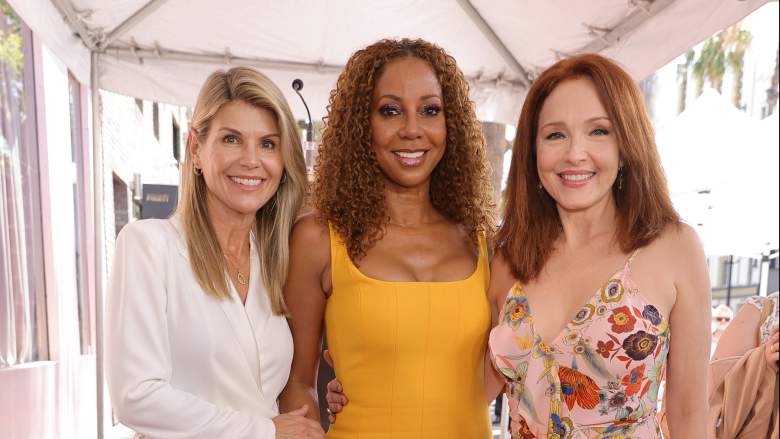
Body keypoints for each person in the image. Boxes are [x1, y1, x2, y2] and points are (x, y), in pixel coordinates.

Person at [279, 38, 497, 438]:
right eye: (390, 111)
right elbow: (296, 384)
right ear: (362, 124)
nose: (412, 130)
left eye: (430, 110)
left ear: (452, 125)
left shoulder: (486, 244)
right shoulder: (319, 239)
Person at [487, 54, 710, 437]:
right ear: (532, 151)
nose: (575, 153)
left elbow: (689, 415)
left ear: (627, 143)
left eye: (599, 131)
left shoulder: (674, 248)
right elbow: (466, 388)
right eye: (555, 134)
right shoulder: (507, 256)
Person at [105, 67, 325, 438]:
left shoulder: (275, 261)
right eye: (231, 139)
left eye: (268, 144)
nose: (251, 160)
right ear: (196, 149)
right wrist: (264, 432)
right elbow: (135, 396)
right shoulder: (149, 246)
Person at [708, 292, 779, 437]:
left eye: (725, 318)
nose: (722, 321)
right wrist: (764, 365)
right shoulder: (763, 311)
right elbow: (710, 405)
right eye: (719, 318)